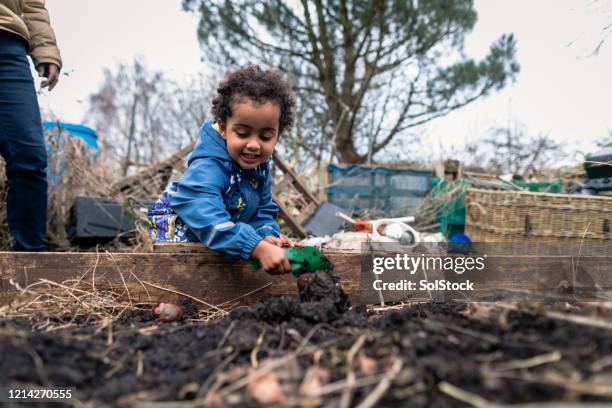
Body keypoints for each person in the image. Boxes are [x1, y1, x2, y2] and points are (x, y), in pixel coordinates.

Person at [148, 64, 300, 275]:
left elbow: (262, 210)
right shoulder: (210, 164)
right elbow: (205, 213)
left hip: (223, 230)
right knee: (189, 272)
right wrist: (254, 246)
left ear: (278, 135)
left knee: (233, 259)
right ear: (223, 128)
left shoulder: (260, 168)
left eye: (265, 137)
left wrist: (266, 235)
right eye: (243, 133)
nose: (254, 145)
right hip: (183, 225)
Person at [0, 0, 62, 251]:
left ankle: (28, 265)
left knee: (29, 156)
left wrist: (45, 48)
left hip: (7, 46)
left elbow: (32, 5)